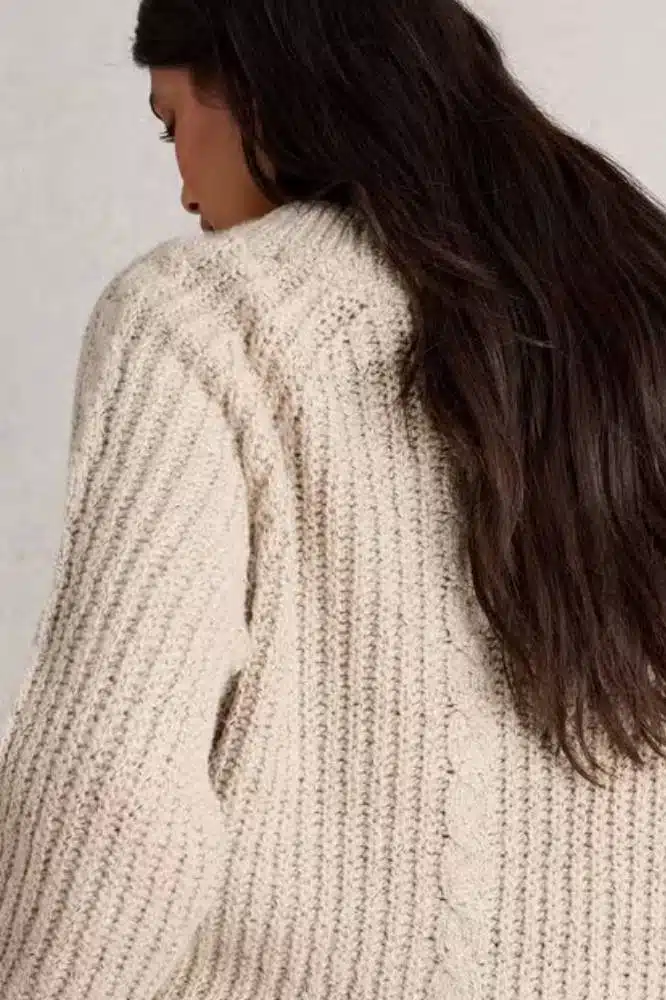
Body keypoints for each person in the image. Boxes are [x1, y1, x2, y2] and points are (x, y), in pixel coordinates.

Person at [2, 0, 666, 997]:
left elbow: (116, 789)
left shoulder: (205, 318)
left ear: (255, 89)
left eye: (171, 124)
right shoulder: (637, 312)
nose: (183, 187)